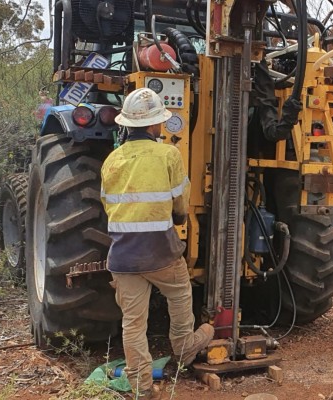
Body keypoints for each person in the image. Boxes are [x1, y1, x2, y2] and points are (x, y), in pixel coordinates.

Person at [101, 88, 214, 399]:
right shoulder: (168, 154)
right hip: (160, 253)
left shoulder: (111, 160)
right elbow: (180, 203)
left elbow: (109, 206)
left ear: (126, 124)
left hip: (122, 256)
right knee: (179, 294)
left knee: (133, 323)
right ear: (155, 126)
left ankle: (141, 387)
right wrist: (177, 218)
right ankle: (184, 348)